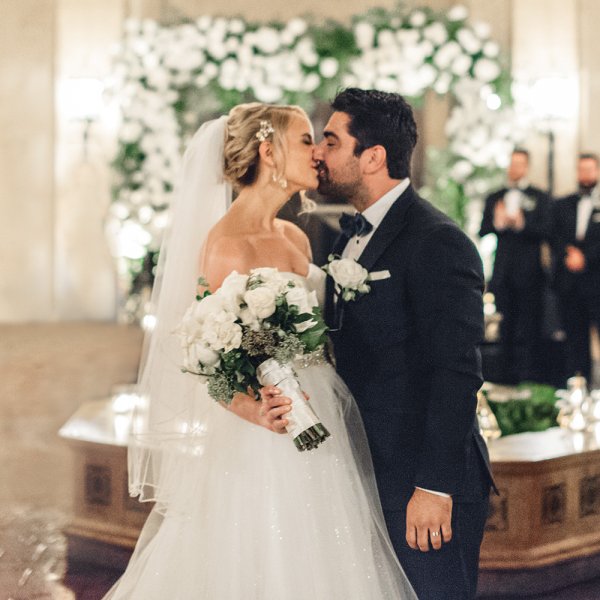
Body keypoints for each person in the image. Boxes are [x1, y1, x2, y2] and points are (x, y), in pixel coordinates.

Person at [104, 104, 416, 599]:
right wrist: (252, 409)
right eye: (306, 139)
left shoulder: (294, 235)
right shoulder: (225, 245)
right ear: (269, 152)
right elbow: (205, 356)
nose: (317, 153)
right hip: (263, 433)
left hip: (321, 413)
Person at [313, 88, 495, 599]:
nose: (318, 154)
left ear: (371, 157)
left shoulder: (438, 240)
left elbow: (457, 371)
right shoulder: (346, 236)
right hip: (369, 471)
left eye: (331, 141)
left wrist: (434, 487)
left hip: (422, 479)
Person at [479, 148, 551, 383]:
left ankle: (528, 377)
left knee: (529, 328)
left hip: (530, 274)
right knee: (505, 326)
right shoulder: (496, 196)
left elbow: (547, 231)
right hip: (503, 273)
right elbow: (483, 229)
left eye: (519, 164)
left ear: (526, 166)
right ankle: (505, 377)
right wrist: (496, 222)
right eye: (512, 163)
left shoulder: (539, 197)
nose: (515, 168)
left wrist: (522, 224)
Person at [551, 153, 600, 382]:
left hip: (596, 279)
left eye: (589, 170)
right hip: (569, 283)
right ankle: (578, 384)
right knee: (575, 338)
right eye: (581, 170)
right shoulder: (563, 204)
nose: (585, 175)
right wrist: (568, 253)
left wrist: (586, 257)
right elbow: (553, 233)